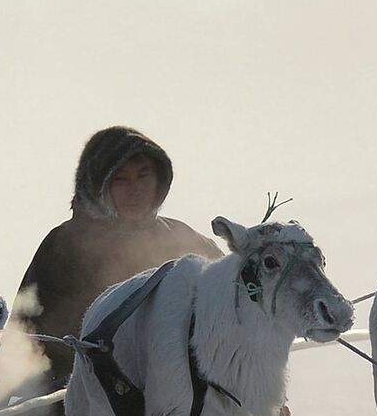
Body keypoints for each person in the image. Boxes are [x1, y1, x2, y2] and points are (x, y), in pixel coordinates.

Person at [13, 126, 221, 392]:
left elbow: (238, 312)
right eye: (120, 179)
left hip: (182, 398)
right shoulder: (62, 246)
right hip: (79, 397)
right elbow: (22, 335)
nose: (135, 190)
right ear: (98, 185)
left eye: (143, 176)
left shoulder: (185, 241)